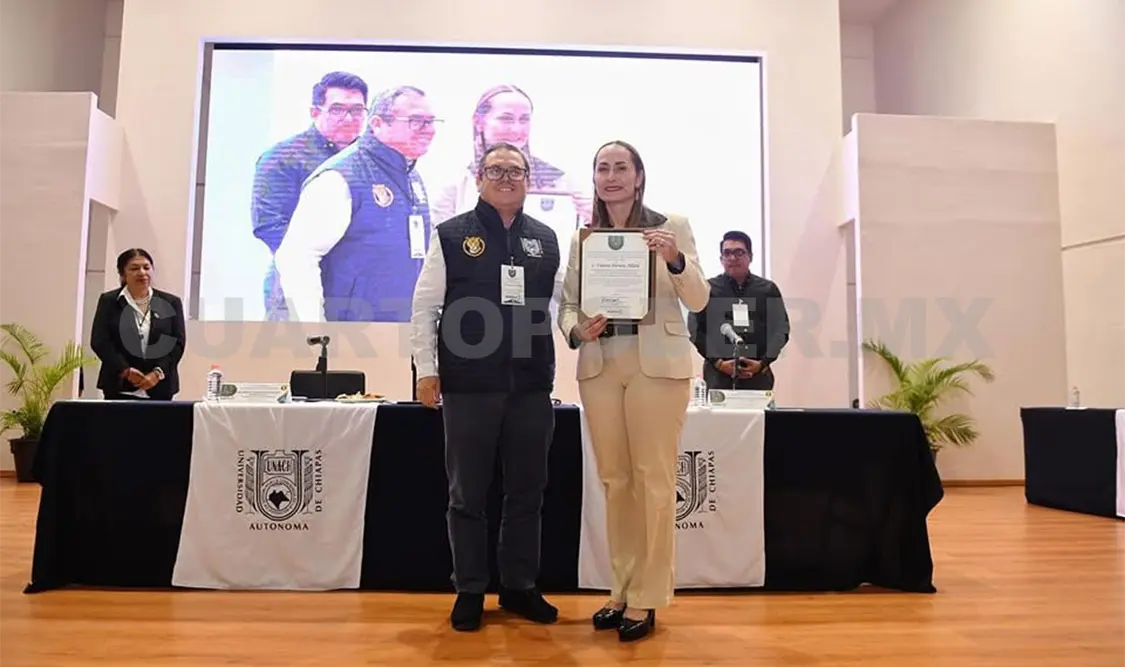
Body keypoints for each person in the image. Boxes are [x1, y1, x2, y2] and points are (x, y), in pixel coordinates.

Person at [557, 140, 709, 642]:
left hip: (656, 364)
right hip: (601, 363)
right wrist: (577, 330)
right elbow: (568, 305)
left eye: (621, 167)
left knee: (654, 480)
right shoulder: (584, 238)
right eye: (602, 168)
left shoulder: (671, 226)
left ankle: (648, 595)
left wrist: (674, 258)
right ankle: (620, 588)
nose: (611, 176)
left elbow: (699, 299)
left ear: (639, 176)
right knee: (615, 481)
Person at [410, 142, 561, 632]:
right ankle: (470, 588)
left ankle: (519, 586)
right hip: (468, 385)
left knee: (527, 492)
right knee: (467, 495)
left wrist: (586, 326)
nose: (506, 178)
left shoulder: (546, 239)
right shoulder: (452, 235)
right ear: (479, 178)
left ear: (528, 180)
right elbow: (425, 307)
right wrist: (426, 370)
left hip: (531, 386)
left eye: (515, 171)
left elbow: (565, 305)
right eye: (496, 170)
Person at [275, 85, 438, 322]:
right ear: (378, 124)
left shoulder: (411, 176)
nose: (429, 130)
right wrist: (315, 332)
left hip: (400, 328)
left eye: (431, 121)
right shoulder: (340, 177)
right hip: (350, 332)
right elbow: (297, 257)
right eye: (416, 121)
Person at [250, 71, 369, 321]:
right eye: (337, 109)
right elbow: (269, 225)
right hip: (296, 283)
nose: (349, 118)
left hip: (357, 288)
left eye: (357, 110)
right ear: (315, 112)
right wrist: (323, 260)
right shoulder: (282, 157)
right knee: (295, 346)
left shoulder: (370, 161)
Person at [687, 230, 790, 390]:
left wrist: (763, 363)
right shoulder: (707, 289)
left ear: (750, 256)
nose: (732, 258)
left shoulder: (767, 289)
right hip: (718, 376)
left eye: (739, 252)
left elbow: (781, 329)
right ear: (721, 259)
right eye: (727, 253)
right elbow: (695, 329)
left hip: (758, 375)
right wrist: (719, 363)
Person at [90, 249, 186, 400]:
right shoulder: (109, 301)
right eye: (134, 268)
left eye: (146, 267)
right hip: (119, 386)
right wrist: (125, 370)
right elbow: (100, 341)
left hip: (160, 387)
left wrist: (157, 373)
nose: (142, 273)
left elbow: (177, 343)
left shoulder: (171, 302)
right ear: (122, 273)